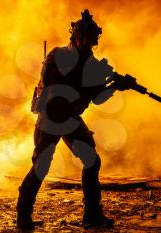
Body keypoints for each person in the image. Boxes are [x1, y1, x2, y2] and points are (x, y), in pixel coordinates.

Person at [17, 9, 133, 229]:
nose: (90, 46)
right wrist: (93, 82)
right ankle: (23, 216)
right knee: (41, 167)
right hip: (51, 118)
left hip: (69, 118)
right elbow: (58, 92)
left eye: (93, 42)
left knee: (92, 160)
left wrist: (112, 87)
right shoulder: (57, 56)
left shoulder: (89, 62)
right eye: (87, 40)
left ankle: (92, 215)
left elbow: (96, 99)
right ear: (76, 37)